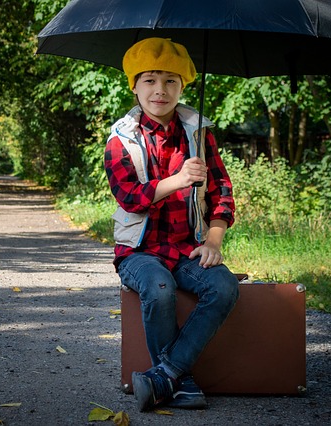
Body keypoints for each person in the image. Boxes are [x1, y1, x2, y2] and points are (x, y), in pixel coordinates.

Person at [104, 37, 239, 411]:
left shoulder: (199, 134)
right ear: (134, 85)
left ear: (182, 86)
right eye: (149, 80)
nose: (159, 90)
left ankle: (166, 374)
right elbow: (129, 196)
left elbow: (222, 191)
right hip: (139, 252)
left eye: (170, 81)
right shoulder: (121, 140)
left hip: (187, 247)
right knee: (159, 288)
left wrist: (213, 240)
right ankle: (179, 378)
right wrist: (178, 179)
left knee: (224, 286)